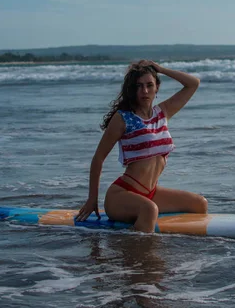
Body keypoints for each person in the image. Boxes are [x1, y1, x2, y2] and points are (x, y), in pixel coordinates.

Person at [76, 60, 207, 232]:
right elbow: (98, 158)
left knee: (199, 204)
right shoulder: (123, 118)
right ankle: (136, 254)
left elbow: (193, 84)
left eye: (149, 85)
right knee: (150, 209)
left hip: (151, 193)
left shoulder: (163, 112)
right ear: (132, 90)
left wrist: (160, 69)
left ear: (156, 88)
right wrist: (92, 199)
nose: (144, 91)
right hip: (121, 195)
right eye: (138, 86)